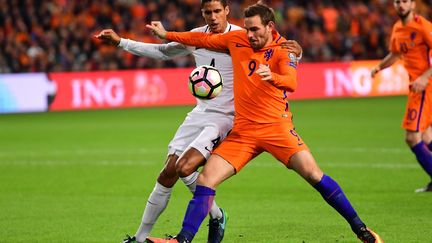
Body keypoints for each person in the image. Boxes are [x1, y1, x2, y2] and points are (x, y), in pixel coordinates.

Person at [145, 3, 383, 243]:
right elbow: (200, 39)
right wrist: (167, 35)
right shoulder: (236, 39)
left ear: (270, 26)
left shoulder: (285, 49)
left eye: (255, 29)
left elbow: (291, 82)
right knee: (206, 179)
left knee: (313, 174)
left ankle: (361, 229)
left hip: (276, 129)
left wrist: (274, 77)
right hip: (244, 132)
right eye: (247, 28)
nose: (250, 34)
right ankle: (183, 239)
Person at [95, 1, 302, 243]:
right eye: (207, 12)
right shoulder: (195, 36)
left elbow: (279, 48)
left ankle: (207, 220)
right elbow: (163, 52)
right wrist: (122, 42)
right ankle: (143, 238)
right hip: (200, 113)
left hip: (227, 117)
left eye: (217, 11)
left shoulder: (243, 36)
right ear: (202, 13)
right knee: (167, 174)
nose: (213, 17)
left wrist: (298, 52)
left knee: (186, 167)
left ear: (226, 10)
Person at [371, 0, 432, 193]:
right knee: (427, 135)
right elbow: (395, 54)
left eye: (404, 1)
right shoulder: (398, 28)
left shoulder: (423, 26)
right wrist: (379, 67)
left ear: (413, 5)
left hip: (424, 87)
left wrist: (424, 77)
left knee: (412, 137)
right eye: (397, 2)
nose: (400, 5)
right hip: (416, 86)